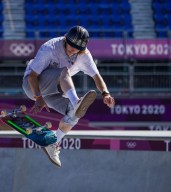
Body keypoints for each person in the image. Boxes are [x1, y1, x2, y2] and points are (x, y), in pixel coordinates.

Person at [22, 26, 115, 167]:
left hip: (52, 92)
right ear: (65, 40)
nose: (72, 50)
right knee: (64, 72)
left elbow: (97, 77)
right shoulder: (50, 48)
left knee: (74, 113)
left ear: (82, 49)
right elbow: (33, 76)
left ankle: (53, 142)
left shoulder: (84, 56)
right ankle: (76, 101)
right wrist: (38, 97)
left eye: (76, 49)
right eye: (70, 46)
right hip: (32, 86)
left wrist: (105, 93)